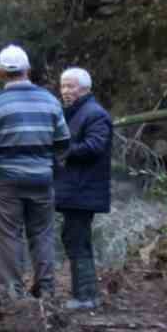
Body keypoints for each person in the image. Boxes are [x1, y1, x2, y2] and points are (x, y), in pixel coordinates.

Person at [0, 44, 70, 302]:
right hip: (42, 178)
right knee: (42, 234)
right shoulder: (50, 101)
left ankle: (13, 293)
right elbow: (63, 143)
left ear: (1, 73)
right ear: (28, 70)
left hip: (5, 181)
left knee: (7, 235)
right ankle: (46, 290)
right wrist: (51, 168)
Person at [55, 66, 113, 311]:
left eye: (71, 86)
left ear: (85, 88)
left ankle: (87, 296)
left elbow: (95, 146)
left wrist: (64, 152)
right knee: (74, 238)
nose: (66, 91)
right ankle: (85, 294)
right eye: (63, 86)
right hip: (75, 189)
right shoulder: (73, 112)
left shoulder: (95, 114)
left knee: (77, 240)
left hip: (84, 189)